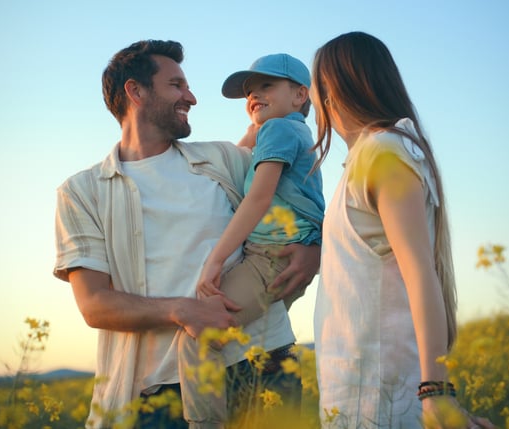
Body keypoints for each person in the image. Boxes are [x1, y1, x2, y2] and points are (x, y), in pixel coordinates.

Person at [52, 40, 320, 429]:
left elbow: (300, 190)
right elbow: (94, 305)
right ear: (136, 91)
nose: (191, 97)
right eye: (176, 85)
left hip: (264, 363)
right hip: (158, 390)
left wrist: (315, 248)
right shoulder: (82, 192)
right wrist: (181, 310)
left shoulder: (223, 159)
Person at [310, 32, 496, 429]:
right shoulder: (369, 157)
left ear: (333, 89)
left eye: (315, 88)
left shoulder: (384, 151)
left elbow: (419, 272)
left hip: (382, 394)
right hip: (358, 390)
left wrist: (437, 395)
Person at [177, 53, 325, 429]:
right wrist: (258, 118)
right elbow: (244, 151)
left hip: (268, 258)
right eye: (249, 91)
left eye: (266, 86)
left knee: (198, 336)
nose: (254, 95)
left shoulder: (278, 131)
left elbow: (259, 198)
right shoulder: (292, 131)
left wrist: (215, 260)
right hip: (286, 256)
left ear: (299, 95)